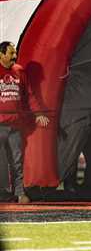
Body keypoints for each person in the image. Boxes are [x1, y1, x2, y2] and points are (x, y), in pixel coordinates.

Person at [0, 41, 50, 203]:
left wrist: (38, 114)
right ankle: (3, 192)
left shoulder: (20, 71)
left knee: (17, 160)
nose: (15, 56)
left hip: (15, 124)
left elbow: (30, 95)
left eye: (15, 52)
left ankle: (20, 192)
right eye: (11, 53)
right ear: (1, 54)